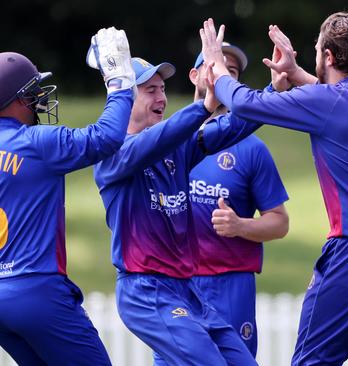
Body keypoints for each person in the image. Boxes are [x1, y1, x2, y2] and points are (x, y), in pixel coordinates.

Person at [201, 12, 348, 365]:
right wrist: (295, 75)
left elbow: (245, 103)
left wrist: (216, 66)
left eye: (318, 49)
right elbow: (335, 101)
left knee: (312, 360)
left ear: (329, 57)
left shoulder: (327, 103)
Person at [0, 27, 136, 365]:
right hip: (35, 292)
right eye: (33, 89)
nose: (39, 95)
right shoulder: (36, 141)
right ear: (17, 99)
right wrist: (120, 83)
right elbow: (107, 137)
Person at [89, 49, 261, 364]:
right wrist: (205, 106)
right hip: (145, 290)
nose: (162, 97)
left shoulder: (174, 147)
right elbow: (155, 141)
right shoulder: (113, 155)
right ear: (125, 99)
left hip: (185, 289)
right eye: (150, 90)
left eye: (163, 88)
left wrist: (274, 94)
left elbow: (226, 129)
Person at [188, 43, 289, 358]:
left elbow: (280, 222)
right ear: (195, 76)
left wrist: (239, 225)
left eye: (230, 72)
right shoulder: (170, 135)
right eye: (214, 67)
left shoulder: (251, 148)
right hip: (177, 283)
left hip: (230, 285)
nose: (221, 75)